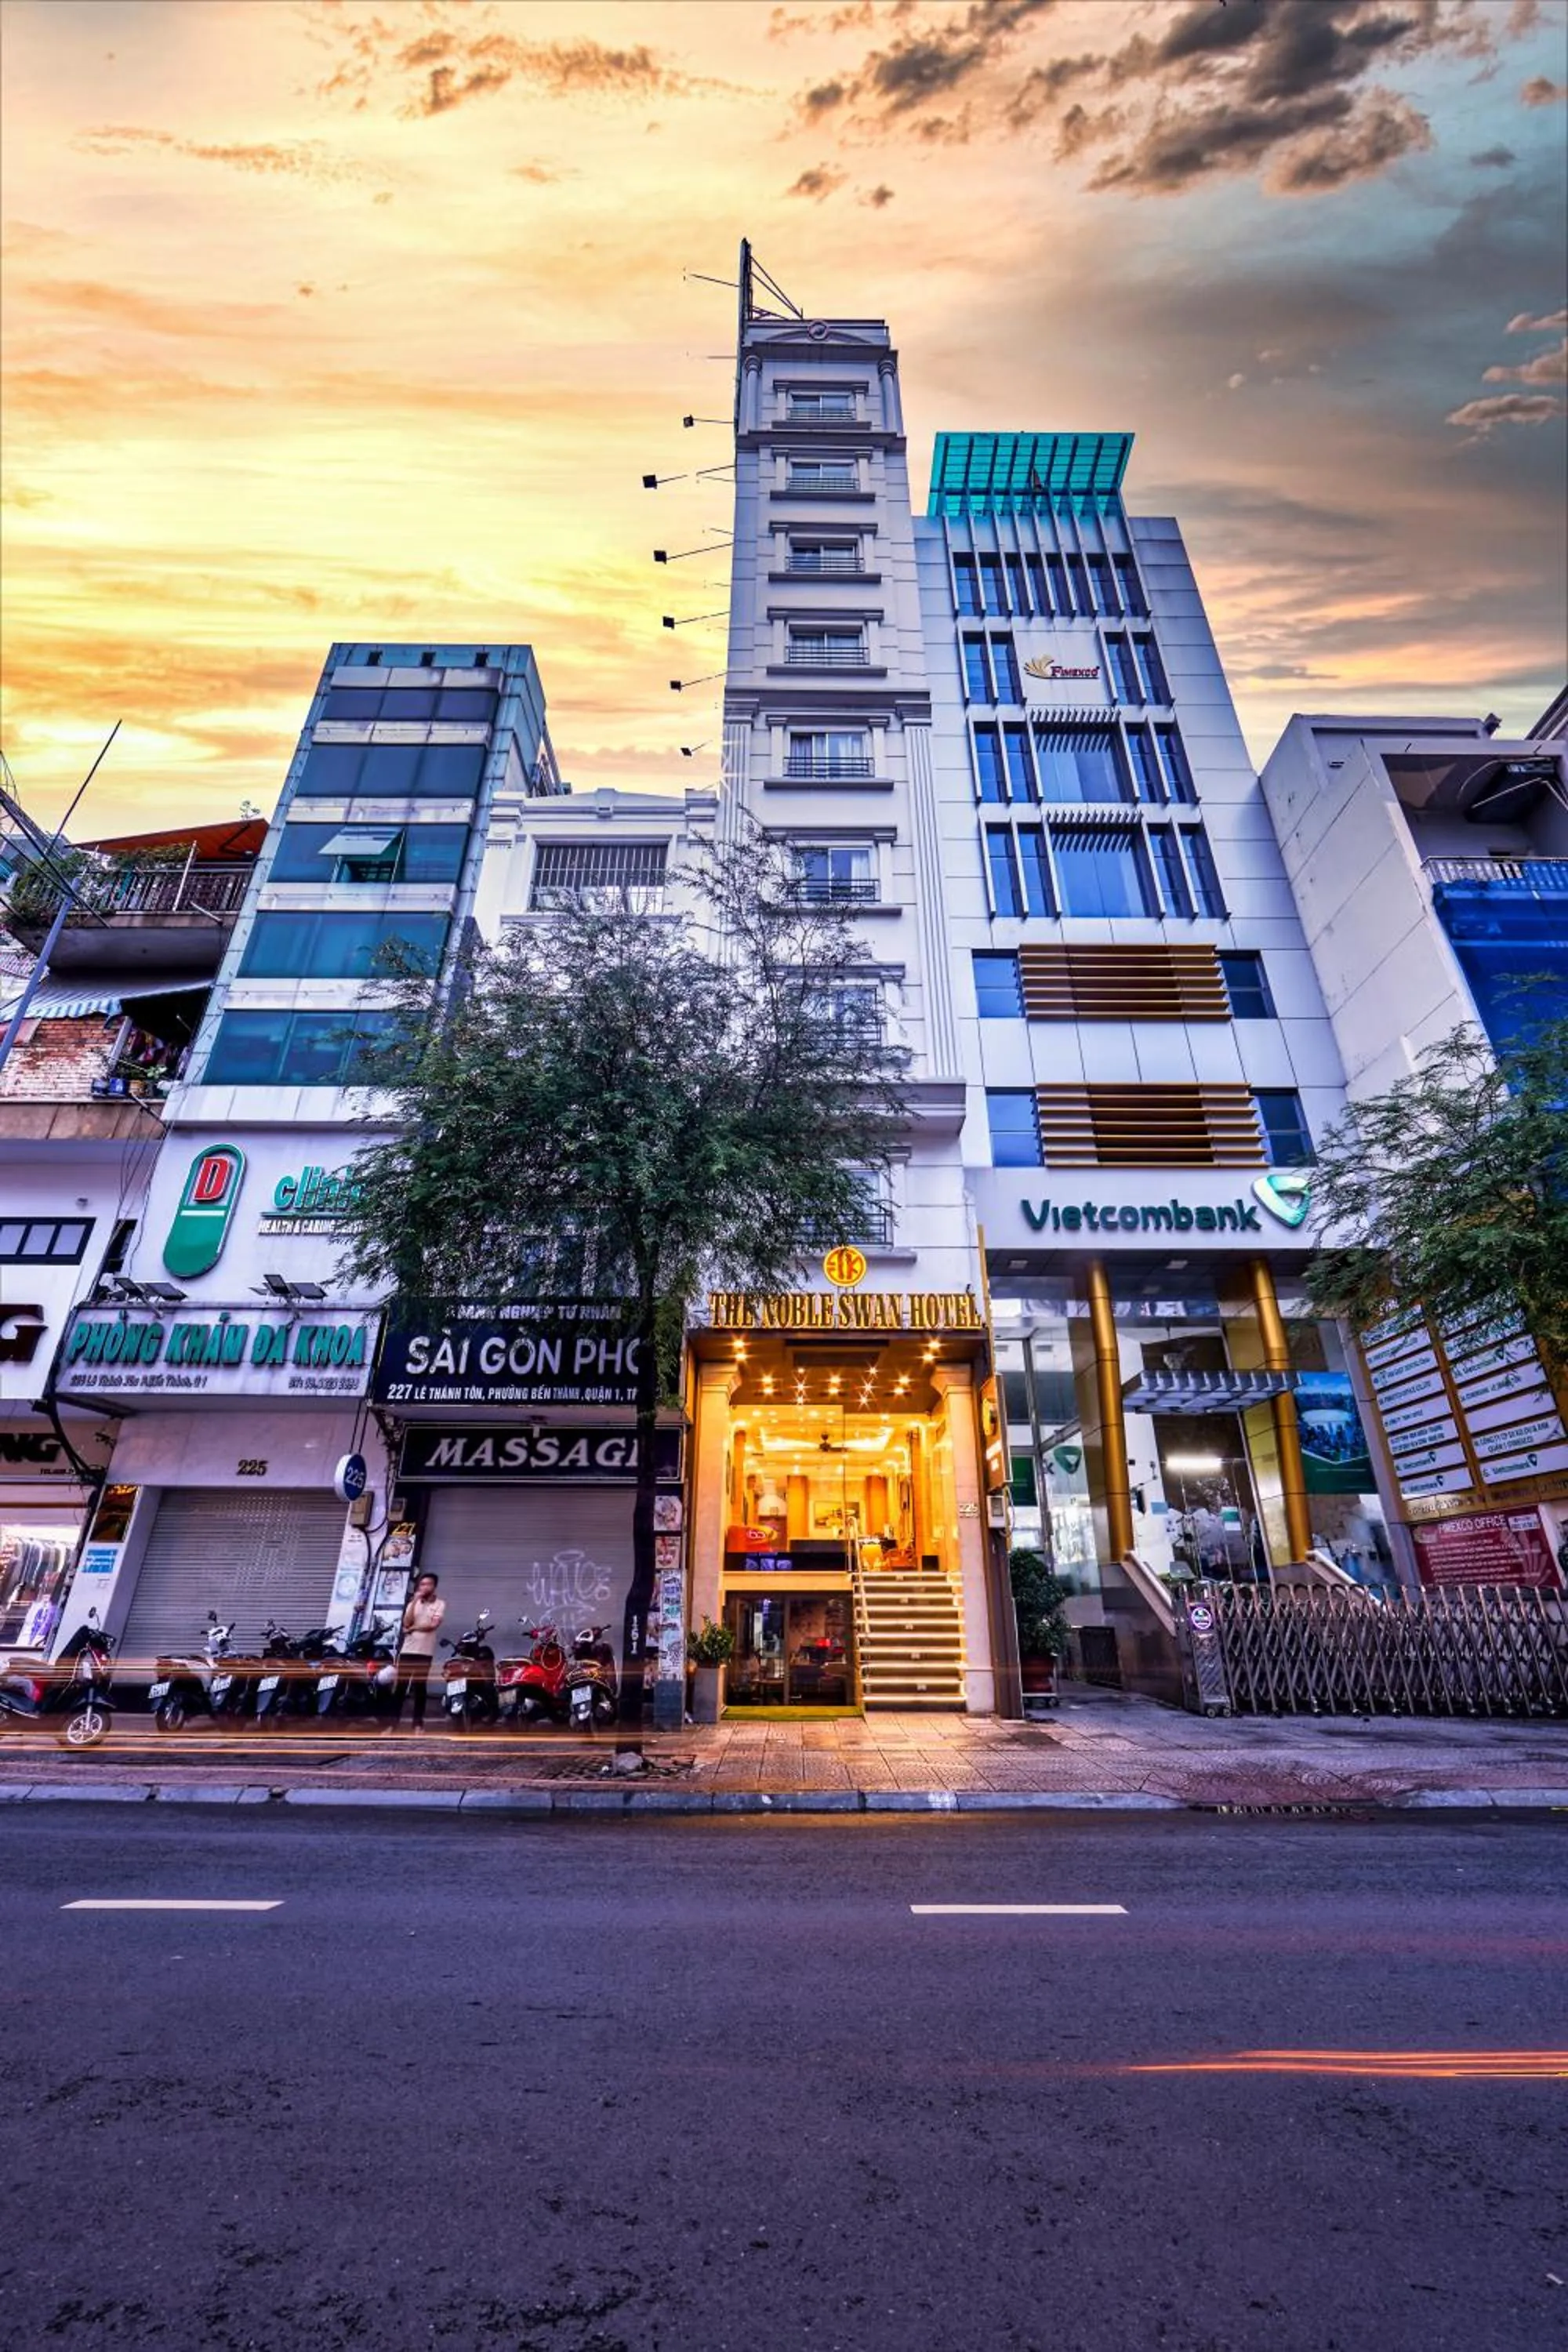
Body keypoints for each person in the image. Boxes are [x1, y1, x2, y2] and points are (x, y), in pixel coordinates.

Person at [392, 1573, 445, 1730]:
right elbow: (406, 1622)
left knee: (419, 1687)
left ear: (434, 1586)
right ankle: (392, 1724)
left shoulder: (440, 1604)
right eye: (422, 1584)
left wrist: (414, 1628)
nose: (425, 1587)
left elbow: (433, 1625)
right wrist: (415, 1601)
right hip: (408, 1650)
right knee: (400, 1687)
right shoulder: (412, 1603)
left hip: (424, 1652)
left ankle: (418, 1725)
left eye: (428, 1584)